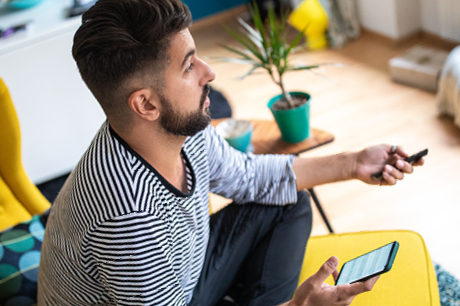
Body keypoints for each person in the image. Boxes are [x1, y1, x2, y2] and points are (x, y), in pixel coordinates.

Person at [37, 0, 424, 305]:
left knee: (288, 201)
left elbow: (248, 177)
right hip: (163, 295)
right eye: (189, 67)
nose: (209, 72)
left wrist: (353, 163)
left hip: (183, 280)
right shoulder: (128, 219)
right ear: (146, 105)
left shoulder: (180, 130)